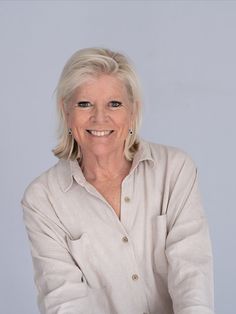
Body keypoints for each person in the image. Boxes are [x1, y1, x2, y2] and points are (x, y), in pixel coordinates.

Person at [21, 47, 214, 314]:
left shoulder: (175, 170)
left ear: (133, 112)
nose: (100, 117)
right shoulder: (43, 199)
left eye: (114, 103)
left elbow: (192, 273)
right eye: (84, 104)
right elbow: (64, 299)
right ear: (66, 111)